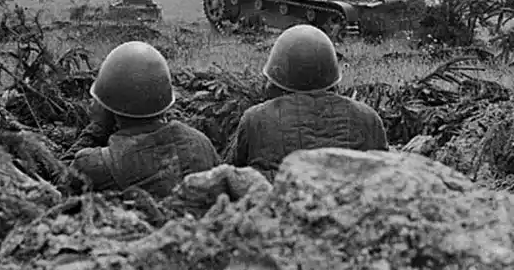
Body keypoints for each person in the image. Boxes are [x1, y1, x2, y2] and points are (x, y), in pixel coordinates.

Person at [230, 24, 389, 181]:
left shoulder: (255, 120)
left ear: (275, 78)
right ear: (333, 77)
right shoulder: (368, 118)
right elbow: (389, 176)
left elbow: (233, 174)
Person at [70, 41, 220, 197]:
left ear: (109, 109)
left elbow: (58, 188)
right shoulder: (201, 144)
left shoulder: (94, 165)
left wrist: (98, 128)